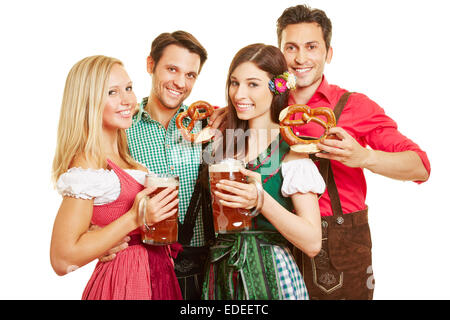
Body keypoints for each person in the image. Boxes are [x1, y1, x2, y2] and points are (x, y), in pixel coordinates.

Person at [276, 4, 431, 300]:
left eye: (311, 47)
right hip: (275, 240)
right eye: (291, 47)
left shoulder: (354, 106)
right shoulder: (264, 101)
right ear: (279, 52)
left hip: (339, 246)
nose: (300, 58)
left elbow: (420, 165)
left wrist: (364, 157)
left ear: (328, 53)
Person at [50, 55, 182, 300]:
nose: (128, 100)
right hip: (126, 283)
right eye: (112, 92)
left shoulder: (125, 158)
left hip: (156, 276)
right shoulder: (88, 165)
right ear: (87, 102)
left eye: (129, 88)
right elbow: (62, 258)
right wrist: (135, 217)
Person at [201, 43, 325, 300]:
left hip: (273, 276)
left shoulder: (291, 151)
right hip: (221, 273)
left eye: (253, 84)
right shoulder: (220, 143)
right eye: (234, 83)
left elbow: (313, 242)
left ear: (276, 88)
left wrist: (261, 200)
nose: (239, 94)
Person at [125, 31, 227, 299]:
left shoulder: (208, 123)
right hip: (145, 269)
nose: (180, 82)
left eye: (191, 75)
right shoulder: (121, 130)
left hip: (208, 271)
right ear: (151, 65)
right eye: (172, 69)